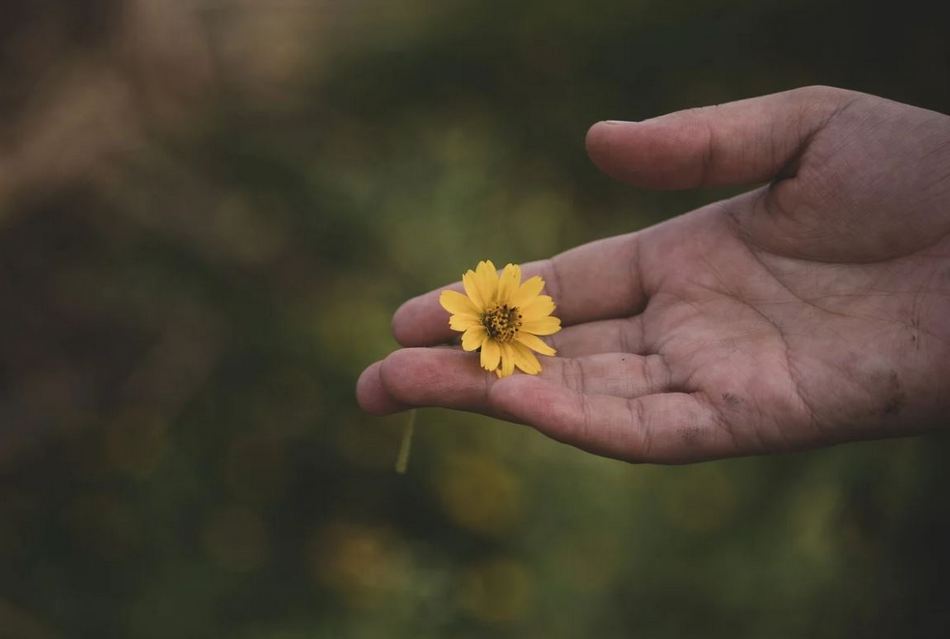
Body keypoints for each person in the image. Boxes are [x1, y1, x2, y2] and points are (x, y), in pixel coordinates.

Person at [356, 85, 950, 464]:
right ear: (493, 315)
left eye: (506, 318)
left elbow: (523, 332)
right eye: (502, 317)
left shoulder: (514, 331)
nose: (505, 319)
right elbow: (498, 329)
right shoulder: (485, 322)